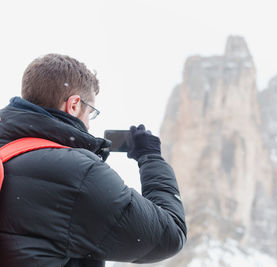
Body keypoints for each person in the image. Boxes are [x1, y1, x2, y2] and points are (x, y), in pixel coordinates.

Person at [0, 54, 186, 266]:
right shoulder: (77, 173)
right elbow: (170, 235)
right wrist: (151, 157)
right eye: (91, 112)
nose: (88, 124)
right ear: (74, 105)